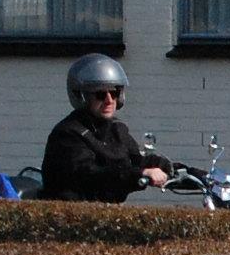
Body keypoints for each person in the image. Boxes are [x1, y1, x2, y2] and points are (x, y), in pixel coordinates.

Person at [39, 54, 169, 203]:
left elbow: (138, 159)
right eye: (100, 94)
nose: (109, 100)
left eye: (114, 93)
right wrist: (140, 174)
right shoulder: (68, 134)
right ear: (81, 96)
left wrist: (171, 168)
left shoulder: (117, 129)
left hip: (105, 212)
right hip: (72, 213)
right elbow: (90, 174)